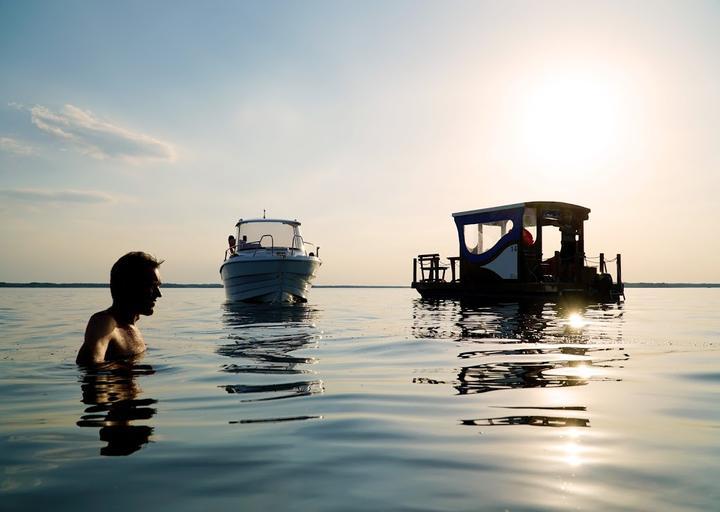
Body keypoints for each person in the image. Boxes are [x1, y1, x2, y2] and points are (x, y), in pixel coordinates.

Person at [76, 252, 163, 365]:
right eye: (151, 285)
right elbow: (90, 366)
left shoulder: (130, 326)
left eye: (159, 286)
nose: (159, 294)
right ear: (127, 286)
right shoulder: (105, 323)